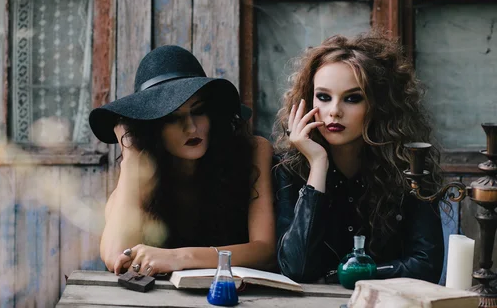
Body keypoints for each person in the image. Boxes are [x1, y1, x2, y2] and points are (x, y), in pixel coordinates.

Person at [273, 31, 445, 283]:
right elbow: (297, 268)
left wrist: (345, 275)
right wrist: (318, 164)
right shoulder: (290, 166)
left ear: (379, 105)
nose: (334, 112)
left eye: (352, 98)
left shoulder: (411, 166)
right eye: (323, 97)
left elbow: (425, 265)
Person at [90, 45, 275, 276]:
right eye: (173, 118)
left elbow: (265, 252)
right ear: (153, 128)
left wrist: (178, 257)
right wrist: (130, 154)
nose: (191, 127)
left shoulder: (253, 151)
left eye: (199, 111)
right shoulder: (138, 179)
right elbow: (116, 257)